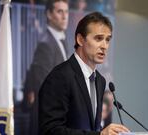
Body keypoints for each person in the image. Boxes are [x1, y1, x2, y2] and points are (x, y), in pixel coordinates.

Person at [39, 12, 129, 135]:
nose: (104, 46)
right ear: (80, 40)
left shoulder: (100, 81)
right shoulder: (60, 76)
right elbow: (51, 130)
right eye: (98, 38)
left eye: (107, 40)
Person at [22, 0, 69, 134]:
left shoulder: (62, 40)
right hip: (48, 120)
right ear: (49, 14)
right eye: (59, 11)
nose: (65, 16)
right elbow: (45, 85)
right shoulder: (46, 44)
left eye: (66, 11)